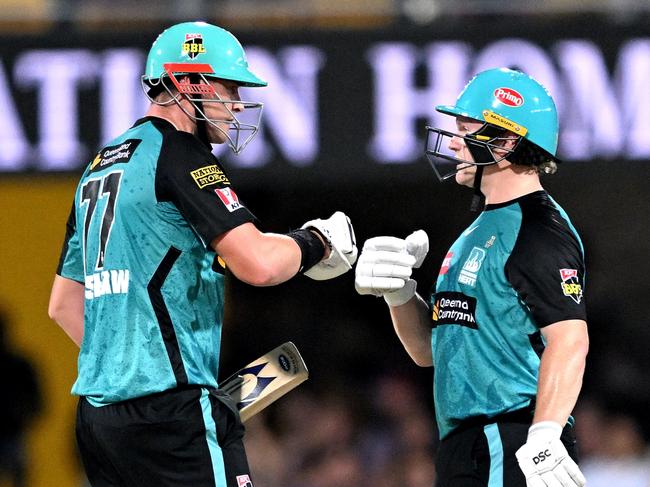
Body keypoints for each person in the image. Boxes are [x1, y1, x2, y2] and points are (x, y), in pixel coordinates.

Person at [48, 21, 357, 487]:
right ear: (189, 82)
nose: (235, 105)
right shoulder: (179, 155)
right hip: (171, 418)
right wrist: (318, 242)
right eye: (228, 88)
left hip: (99, 421)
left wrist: (133, 372)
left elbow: (63, 305)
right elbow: (259, 263)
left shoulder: (98, 166)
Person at [355, 67, 589, 486]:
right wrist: (399, 294)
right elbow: (431, 351)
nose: (455, 144)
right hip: (468, 444)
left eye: (466, 130)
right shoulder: (479, 229)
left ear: (505, 141)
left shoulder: (537, 231)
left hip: (511, 438)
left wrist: (545, 433)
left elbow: (570, 338)